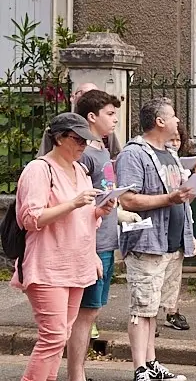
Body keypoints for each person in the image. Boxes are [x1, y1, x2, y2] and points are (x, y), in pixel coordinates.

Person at [12, 113, 113, 381]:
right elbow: (31, 218)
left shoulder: (80, 170)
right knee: (53, 336)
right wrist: (73, 203)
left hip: (76, 264)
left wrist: (99, 211)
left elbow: (84, 219)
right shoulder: (39, 169)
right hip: (47, 264)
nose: (83, 145)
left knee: (62, 334)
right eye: (78, 139)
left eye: (86, 140)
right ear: (58, 138)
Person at [116, 98, 196, 381]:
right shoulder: (133, 154)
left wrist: (187, 196)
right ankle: (140, 368)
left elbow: (178, 196)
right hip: (147, 242)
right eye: (173, 116)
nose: (177, 121)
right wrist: (169, 198)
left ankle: (152, 363)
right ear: (160, 121)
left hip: (171, 244)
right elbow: (127, 199)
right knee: (141, 307)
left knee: (153, 310)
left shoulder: (170, 153)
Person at [64, 90, 123, 381]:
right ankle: (76, 374)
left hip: (106, 242)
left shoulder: (102, 148)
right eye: (110, 114)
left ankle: (79, 372)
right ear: (91, 117)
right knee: (84, 313)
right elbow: (76, 198)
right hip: (93, 245)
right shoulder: (85, 153)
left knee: (92, 311)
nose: (115, 120)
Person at [157, 126, 196, 333]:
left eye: (178, 140)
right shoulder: (155, 160)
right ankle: (149, 317)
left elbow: (187, 201)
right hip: (161, 228)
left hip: (180, 225)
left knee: (174, 274)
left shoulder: (179, 164)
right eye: (172, 139)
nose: (175, 143)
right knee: (157, 274)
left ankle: (171, 311)